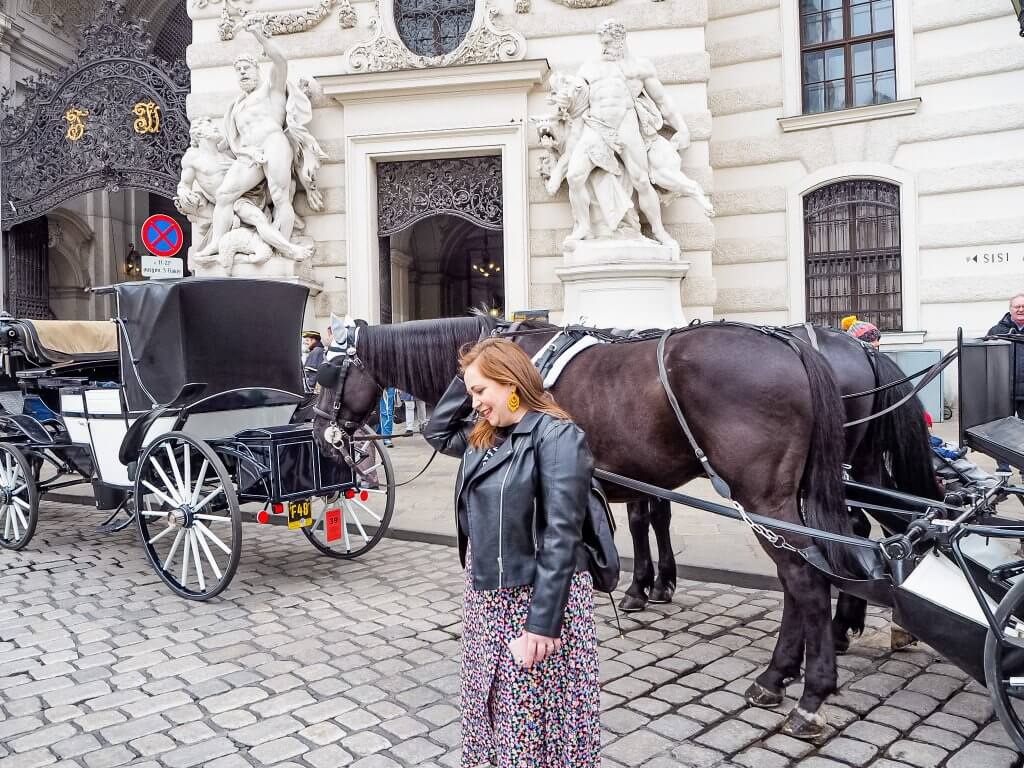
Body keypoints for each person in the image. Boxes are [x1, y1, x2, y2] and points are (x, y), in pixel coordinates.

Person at [423, 338, 600, 768]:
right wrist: (470, 365)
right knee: (492, 710)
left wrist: (541, 625)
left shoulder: (557, 435)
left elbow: (562, 535)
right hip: (488, 595)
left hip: (535, 598)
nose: (475, 402)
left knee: (531, 720)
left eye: (481, 391)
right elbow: (437, 429)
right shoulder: (486, 436)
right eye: (471, 393)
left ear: (511, 382)